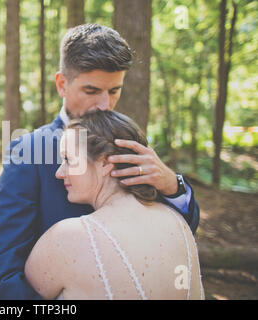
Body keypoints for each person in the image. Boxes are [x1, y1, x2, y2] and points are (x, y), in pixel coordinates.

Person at [0, 24, 200, 300]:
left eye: (113, 91)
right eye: (91, 90)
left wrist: (172, 186)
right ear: (62, 84)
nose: (104, 105)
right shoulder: (29, 153)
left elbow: (180, 235)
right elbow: (1, 276)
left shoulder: (126, 142)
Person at [25, 110, 204, 299]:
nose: (59, 173)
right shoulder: (179, 223)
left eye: (69, 159)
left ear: (104, 163)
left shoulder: (67, 237)